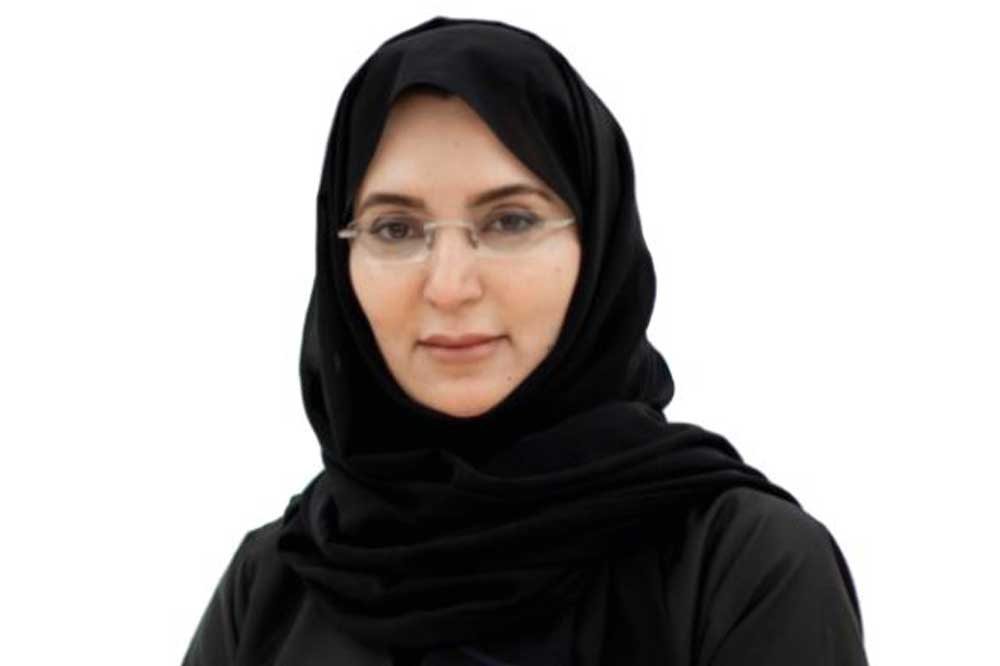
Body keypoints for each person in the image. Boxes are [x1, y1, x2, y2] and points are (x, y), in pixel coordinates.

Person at [181, 15, 869, 666]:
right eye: (395, 229)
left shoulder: (742, 565)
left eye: (510, 221)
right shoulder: (274, 582)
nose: (449, 286)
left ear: (597, 247)